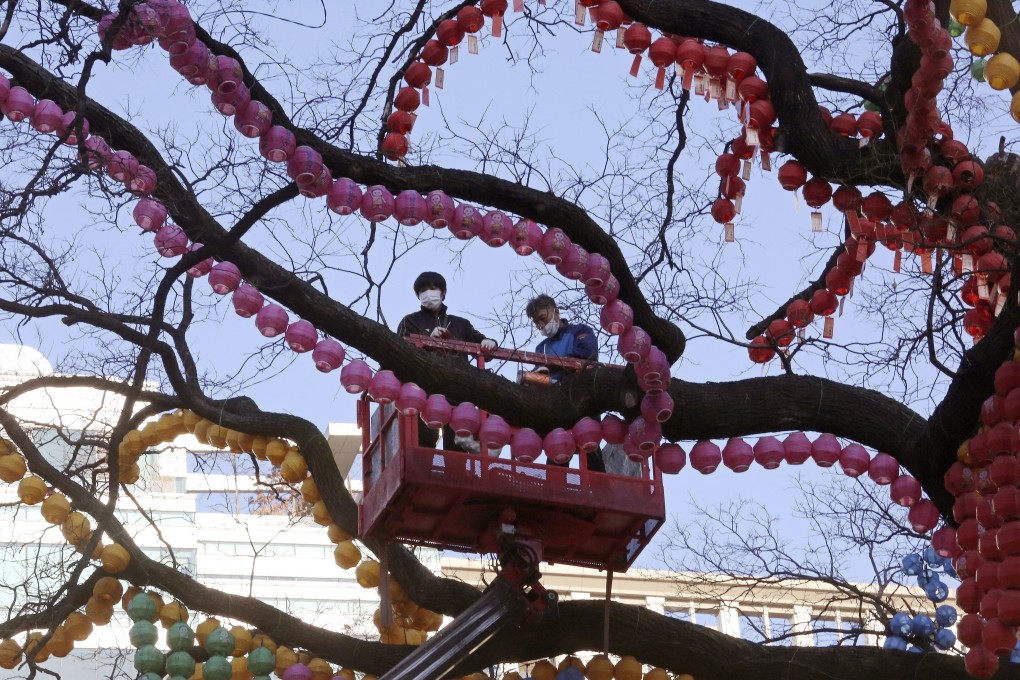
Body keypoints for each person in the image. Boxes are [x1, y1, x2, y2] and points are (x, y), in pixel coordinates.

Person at [398, 271, 496, 452]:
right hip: (424, 386)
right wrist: (428, 340)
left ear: (443, 292)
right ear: (418, 296)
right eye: (423, 290)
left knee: (457, 438)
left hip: (458, 386)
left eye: (433, 288)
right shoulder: (410, 321)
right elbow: (403, 350)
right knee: (424, 436)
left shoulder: (460, 324)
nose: (428, 293)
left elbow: (482, 345)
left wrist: (489, 344)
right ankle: (425, 467)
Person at [524, 294, 606, 472]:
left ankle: (599, 490)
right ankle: (555, 491)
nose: (541, 325)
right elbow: (539, 374)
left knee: (590, 447)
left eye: (543, 319)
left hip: (582, 399)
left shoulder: (580, 331)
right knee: (556, 449)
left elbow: (586, 356)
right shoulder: (541, 348)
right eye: (537, 323)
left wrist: (553, 369)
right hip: (554, 403)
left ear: (556, 312)